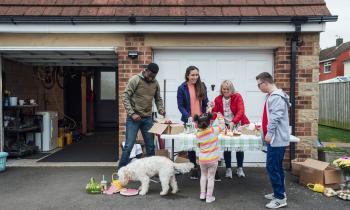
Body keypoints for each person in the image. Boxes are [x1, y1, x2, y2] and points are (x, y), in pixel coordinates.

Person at [118, 63, 165, 169]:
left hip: (147, 118)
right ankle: (121, 171)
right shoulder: (135, 79)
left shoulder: (155, 83)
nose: (151, 78)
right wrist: (132, 113)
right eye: (150, 75)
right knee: (129, 145)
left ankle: (151, 170)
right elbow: (125, 96)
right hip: (133, 118)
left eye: (154, 76)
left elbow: (158, 99)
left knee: (151, 146)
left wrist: (161, 109)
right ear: (146, 70)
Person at [256, 72, 290, 209]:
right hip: (275, 139)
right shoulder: (271, 96)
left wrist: (269, 134)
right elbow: (270, 116)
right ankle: (279, 193)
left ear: (265, 83)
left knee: (272, 167)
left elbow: (275, 117)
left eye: (259, 85)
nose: (259, 88)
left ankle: (280, 198)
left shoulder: (276, 97)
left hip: (276, 139)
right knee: (277, 167)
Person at [210, 80, 250, 180]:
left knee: (239, 146)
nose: (226, 91)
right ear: (221, 89)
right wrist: (211, 109)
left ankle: (240, 168)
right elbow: (215, 113)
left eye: (228, 89)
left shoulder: (237, 96)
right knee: (227, 146)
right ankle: (228, 168)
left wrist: (233, 122)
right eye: (224, 89)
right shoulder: (218, 99)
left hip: (238, 123)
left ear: (232, 89)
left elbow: (241, 111)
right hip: (225, 125)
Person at [177, 65, 209, 179]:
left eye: (196, 75)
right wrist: (188, 116)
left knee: (204, 143)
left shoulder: (202, 85)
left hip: (202, 121)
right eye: (192, 75)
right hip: (189, 120)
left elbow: (206, 102)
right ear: (187, 75)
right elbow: (180, 106)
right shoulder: (182, 88)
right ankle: (194, 167)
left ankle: (206, 167)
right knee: (191, 145)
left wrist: (207, 113)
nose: (195, 77)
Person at [194, 112, 225, 203]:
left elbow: (198, 146)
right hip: (213, 159)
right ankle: (209, 197)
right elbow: (222, 126)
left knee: (203, 176)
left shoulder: (197, 133)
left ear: (198, 123)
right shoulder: (214, 130)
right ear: (210, 122)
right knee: (211, 177)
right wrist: (220, 117)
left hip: (202, 159)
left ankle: (202, 194)